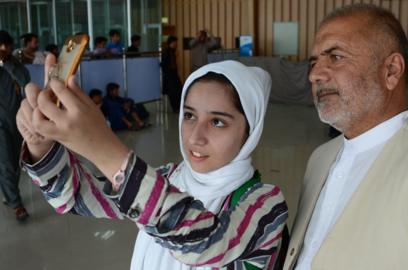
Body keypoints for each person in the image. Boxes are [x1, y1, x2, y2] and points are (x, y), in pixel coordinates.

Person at [17, 60, 287, 269]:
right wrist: (40, 146)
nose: (195, 137)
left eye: (217, 122)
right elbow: (79, 197)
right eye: (190, 115)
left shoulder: (265, 205)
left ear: (250, 131)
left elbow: (204, 243)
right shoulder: (170, 178)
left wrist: (102, 147)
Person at [284, 4, 408, 270]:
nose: (315, 74)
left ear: (391, 71)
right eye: (314, 62)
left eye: (336, 57)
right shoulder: (320, 159)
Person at [0, 30, 30, 221]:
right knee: (6, 164)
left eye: (6, 46)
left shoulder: (13, 63)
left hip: (17, 120)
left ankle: (9, 194)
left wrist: (6, 63)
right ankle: (16, 204)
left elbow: (25, 81)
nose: (3, 49)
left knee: (17, 161)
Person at [161, 35, 182, 113]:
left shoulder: (172, 51)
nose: (177, 44)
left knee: (178, 90)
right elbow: (163, 64)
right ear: (172, 42)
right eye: (176, 42)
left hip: (173, 75)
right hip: (170, 76)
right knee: (173, 92)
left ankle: (178, 107)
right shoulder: (167, 51)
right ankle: (175, 108)